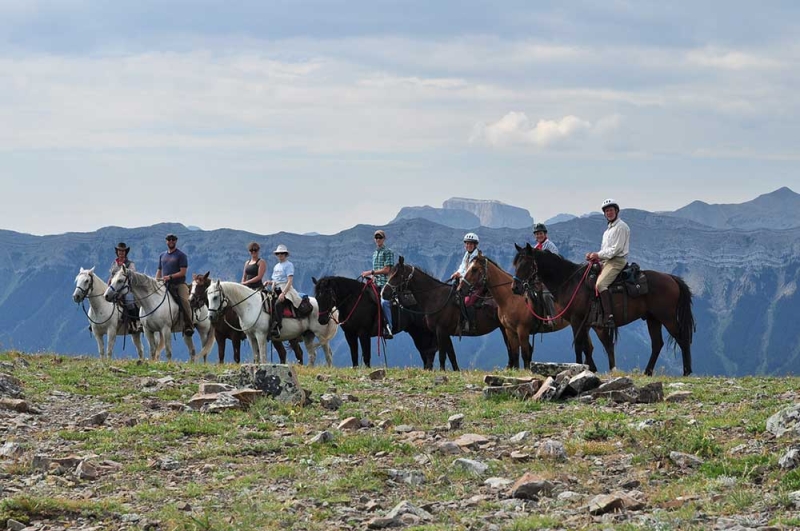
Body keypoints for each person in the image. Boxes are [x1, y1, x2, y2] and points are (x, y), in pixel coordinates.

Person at [585, 198, 631, 328]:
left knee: (600, 284)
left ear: (616, 211)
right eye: (606, 211)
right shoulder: (607, 231)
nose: (609, 213)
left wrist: (597, 255)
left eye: (611, 210)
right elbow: (605, 250)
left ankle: (609, 316)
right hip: (606, 261)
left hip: (616, 261)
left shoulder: (621, 227)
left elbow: (615, 250)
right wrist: (594, 257)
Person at [156, 233, 194, 336]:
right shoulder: (162, 255)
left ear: (176, 241)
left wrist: (170, 277)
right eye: (169, 239)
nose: (171, 241)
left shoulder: (181, 255)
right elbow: (159, 270)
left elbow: (183, 272)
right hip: (164, 284)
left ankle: (188, 325)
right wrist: (156, 281)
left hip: (178, 284)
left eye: (173, 239)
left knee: (184, 301)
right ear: (166, 241)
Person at [361, 229, 395, 339]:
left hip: (386, 283)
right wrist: (371, 277)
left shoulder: (388, 252)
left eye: (380, 237)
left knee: (384, 302)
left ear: (384, 239)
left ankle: (389, 328)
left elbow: (387, 270)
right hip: (375, 283)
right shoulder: (375, 253)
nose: (378, 239)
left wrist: (371, 272)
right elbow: (376, 270)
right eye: (376, 237)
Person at [264, 244, 302, 338]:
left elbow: (289, 281)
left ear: (285, 254)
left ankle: (277, 326)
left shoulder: (289, 265)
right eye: (278, 254)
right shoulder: (276, 266)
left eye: (282, 253)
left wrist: (283, 293)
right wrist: (269, 282)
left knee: (278, 304)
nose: (280, 255)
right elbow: (275, 280)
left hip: (286, 288)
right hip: (276, 288)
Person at [449, 232, 481, 332]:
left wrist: (460, 275)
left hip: (475, 285)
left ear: (475, 245)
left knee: (467, 302)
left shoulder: (477, 258)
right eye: (467, 243)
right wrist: (457, 273)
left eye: (471, 244)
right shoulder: (467, 254)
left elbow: (471, 274)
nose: (468, 245)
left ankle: (471, 324)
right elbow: (462, 267)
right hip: (466, 283)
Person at [108, 242, 141, 333]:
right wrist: (108, 285)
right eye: (119, 251)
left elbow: (133, 276)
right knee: (104, 298)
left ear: (125, 252)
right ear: (117, 252)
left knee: (129, 300)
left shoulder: (130, 264)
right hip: (115, 288)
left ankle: (136, 321)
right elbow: (111, 276)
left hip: (126, 288)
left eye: (123, 251)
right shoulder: (114, 263)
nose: (121, 252)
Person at [532, 223, 558, 325]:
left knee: (546, 295)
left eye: (541, 233)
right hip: (538, 278)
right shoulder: (535, 247)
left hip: (551, 277)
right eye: (537, 234)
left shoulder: (550, 246)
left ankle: (552, 318)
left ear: (545, 234)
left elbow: (555, 262)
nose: (539, 236)